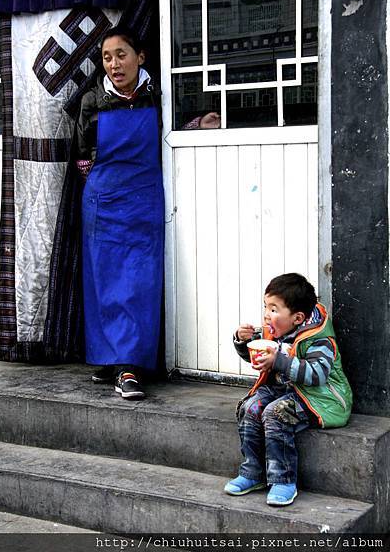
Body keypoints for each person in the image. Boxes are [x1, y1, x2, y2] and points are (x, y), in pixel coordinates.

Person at [75, 26, 220, 400]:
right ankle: (110, 360)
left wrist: (196, 126)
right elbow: (81, 153)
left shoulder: (159, 94)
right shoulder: (92, 101)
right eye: (107, 58)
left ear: (140, 57)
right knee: (103, 285)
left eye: (121, 55)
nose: (114, 64)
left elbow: (171, 131)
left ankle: (130, 367)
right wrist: (101, 188)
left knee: (137, 284)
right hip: (104, 203)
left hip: (143, 201)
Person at [225, 273, 352, 506]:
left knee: (276, 413)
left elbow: (318, 375)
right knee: (250, 407)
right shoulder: (277, 329)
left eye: (274, 309)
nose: (266, 314)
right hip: (286, 390)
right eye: (266, 306)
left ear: (297, 317)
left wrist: (279, 362)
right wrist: (242, 341)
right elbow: (259, 353)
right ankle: (253, 472)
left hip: (321, 398)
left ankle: (283, 479)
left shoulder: (319, 340)